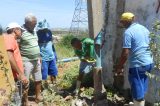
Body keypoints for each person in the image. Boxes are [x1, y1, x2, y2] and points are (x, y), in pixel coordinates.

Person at [115, 12, 153, 106]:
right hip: (149, 62)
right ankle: (138, 104)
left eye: (122, 22)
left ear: (125, 21)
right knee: (142, 85)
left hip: (138, 64)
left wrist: (119, 66)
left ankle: (138, 104)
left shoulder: (128, 32)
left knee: (137, 88)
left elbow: (125, 53)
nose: (122, 24)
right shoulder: (144, 28)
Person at [19, 13, 43, 104]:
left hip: (36, 59)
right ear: (27, 23)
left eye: (36, 23)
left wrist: (39, 56)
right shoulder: (21, 31)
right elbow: (17, 46)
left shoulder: (34, 30)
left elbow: (35, 44)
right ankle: (25, 101)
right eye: (34, 24)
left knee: (38, 79)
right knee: (25, 82)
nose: (35, 25)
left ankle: (38, 96)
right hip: (26, 60)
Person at [3, 22, 28, 104]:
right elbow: (9, 57)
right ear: (15, 30)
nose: (21, 32)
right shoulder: (9, 38)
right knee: (15, 101)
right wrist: (21, 74)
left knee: (16, 99)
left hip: (14, 76)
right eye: (20, 30)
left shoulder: (11, 39)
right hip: (13, 77)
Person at [36, 19, 58, 85]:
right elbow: (36, 47)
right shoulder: (38, 34)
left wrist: (55, 54)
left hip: (51, 56)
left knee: (53, 72)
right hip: (43, 58)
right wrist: (39, 57)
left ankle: (54, 87)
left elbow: (51, 44)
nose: (44, 30)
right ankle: (44, 88)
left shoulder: (49, 32)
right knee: (44, 74)